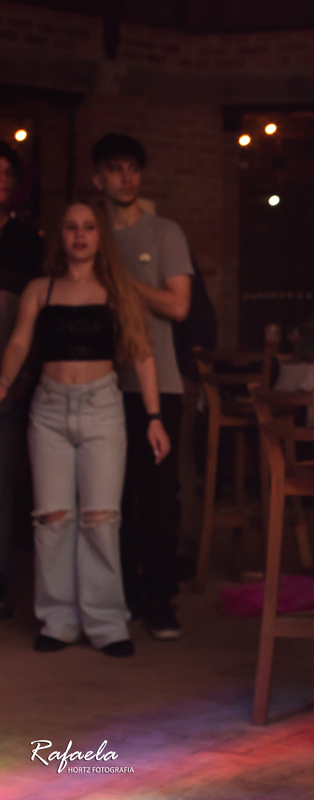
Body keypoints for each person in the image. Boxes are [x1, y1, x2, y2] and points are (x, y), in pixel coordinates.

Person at [0, 200, 169, 656]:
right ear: (61, 236)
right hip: (49, 410)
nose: (80, 235)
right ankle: (58, 620)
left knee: (101, 518)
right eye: (72, 227)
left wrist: (154, 418)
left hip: (101, 408)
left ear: (99, 236)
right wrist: (4, 380)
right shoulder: (40, 290)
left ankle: (106, 623)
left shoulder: (117, 291)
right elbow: (19, 341)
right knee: (52, 519)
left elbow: (141, 353)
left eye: (89, 227)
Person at [91, 134, 192, 639]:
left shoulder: (164, 232)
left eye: (133, 168)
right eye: (116, 168)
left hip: (161, 383)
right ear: (98, 178)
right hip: (102, 383)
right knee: (114, 494)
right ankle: (125, 594)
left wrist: (121, 282)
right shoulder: (91, 234)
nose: (126, 177)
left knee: (157, 497)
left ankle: (160, 598)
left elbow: (179, 306)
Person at [0, 141, 44, 619]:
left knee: (2, 483)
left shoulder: (27, 242)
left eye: (7, 173)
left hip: (7, 380)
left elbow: (35, 320)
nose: (0, 180)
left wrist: (23, 374)